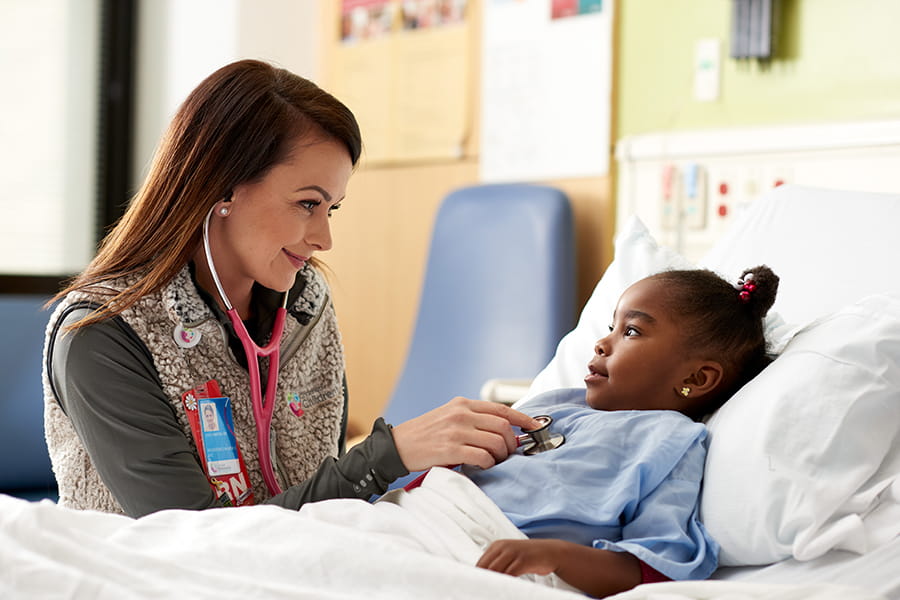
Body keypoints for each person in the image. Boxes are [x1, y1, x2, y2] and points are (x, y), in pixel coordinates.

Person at [42, 59, 538, 517]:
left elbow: (317, 497)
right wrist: (387, 456)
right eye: (307, 204)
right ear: (223, 187)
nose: (324, 238)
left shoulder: (306, 306)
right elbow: (190, 539)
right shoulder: (101, 335)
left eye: (332, 208)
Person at [460, 265, 780, 598]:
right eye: (612, 327)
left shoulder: (669, 442)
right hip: (434, 512)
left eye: (631, 332)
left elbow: (655, 566)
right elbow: (459, 466)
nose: (600, 344)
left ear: (695, 379)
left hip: (493, 555)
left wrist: (554, 556)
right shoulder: (555, 403)